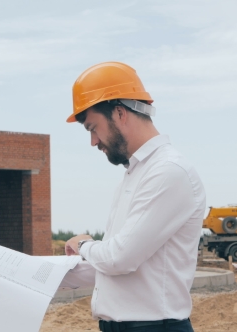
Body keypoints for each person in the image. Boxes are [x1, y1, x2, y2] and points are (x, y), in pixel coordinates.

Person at [63, 62, 206, 332]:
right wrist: (48, 274)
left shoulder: (168, 172)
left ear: (120, 113)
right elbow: (114, 267)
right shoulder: (135, 175)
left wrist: (84, 245)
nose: (93, 141)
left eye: (93, 128)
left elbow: (120, 258)